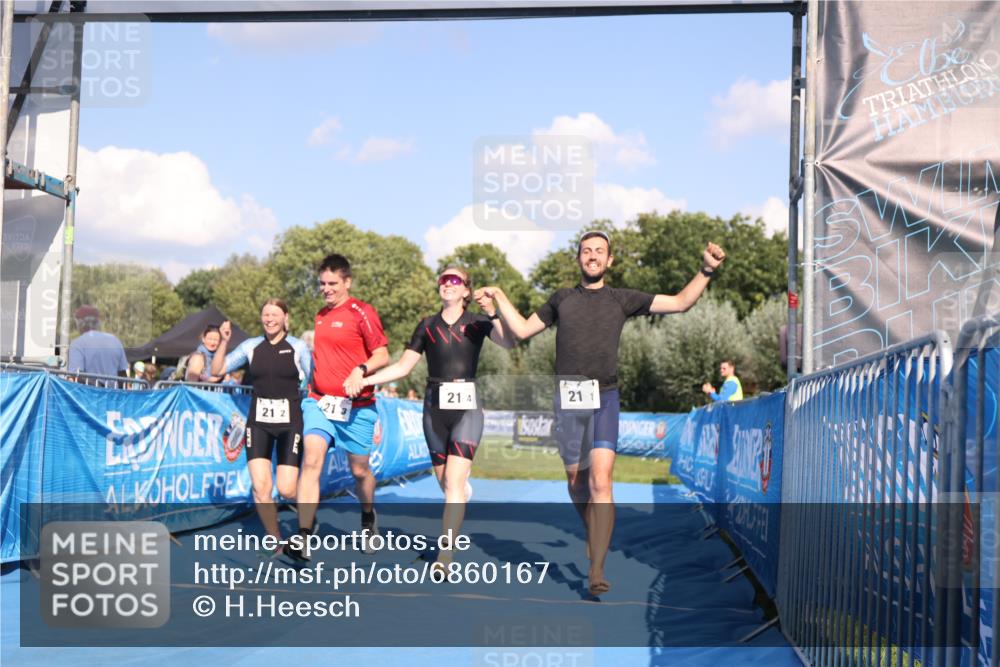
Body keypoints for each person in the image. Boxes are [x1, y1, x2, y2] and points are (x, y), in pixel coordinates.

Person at [476, 230, 726, 597]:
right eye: (586, 251)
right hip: (567, 399)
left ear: (609, 261)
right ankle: (595, 533)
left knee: (601, 483)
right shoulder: (562, 299)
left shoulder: (622, 299)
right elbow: (523, 330)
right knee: (577, 484)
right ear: (578, 259)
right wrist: (498, 297)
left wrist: (705, 271)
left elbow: (680, 302)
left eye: (599, 251)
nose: (592, 256)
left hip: (605, 398)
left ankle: (596, 567)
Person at [348, 266, 513, 573]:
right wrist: (367, 380)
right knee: (447, 484)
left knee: (452, 482)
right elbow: (402, 368)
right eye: (443, 280)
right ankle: (461, 491)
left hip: (467, 409)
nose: (447, 284)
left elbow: (508, 342)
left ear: (465, 290)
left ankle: (445, 557)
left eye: (455, 280)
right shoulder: (426, 325)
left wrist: (493, 312)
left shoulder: (477, 323)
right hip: (434, 410)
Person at [298, 254, 390, 559]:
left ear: (347, 282)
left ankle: (367, 517)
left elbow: (383, 355)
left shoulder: (362, 312)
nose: (326, 289)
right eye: (322, 283)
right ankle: (304, 534)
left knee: (360, 471)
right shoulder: (320, 315)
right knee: (311, 461)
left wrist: (360, 370)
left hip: (357, 407)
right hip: (319, 402)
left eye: (332, 283)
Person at [210, 300, 312, 560]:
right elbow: (217, 370)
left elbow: (312, 380)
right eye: (266, 314)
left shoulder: (299, 347)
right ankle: (276, 542)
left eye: (275, 314)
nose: (269, 319)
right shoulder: (250, 346)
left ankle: (306, 525)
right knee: (261, 488)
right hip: (258, 423)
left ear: (285, 318)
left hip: (290, 423)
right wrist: (223, 341)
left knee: (287, 489)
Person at [67, 305, 128, 377]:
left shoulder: (78, 344)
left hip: (88, 388)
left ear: (80, 323)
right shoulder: (115, 340)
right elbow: (122, 375)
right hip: (111, 388)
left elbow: (76, 377)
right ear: (98, 322)